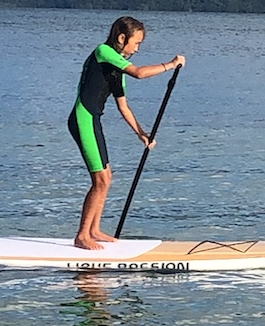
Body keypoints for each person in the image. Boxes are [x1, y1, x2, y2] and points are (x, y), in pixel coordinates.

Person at [68, 16, 184, 250]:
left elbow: (123, 106)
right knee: (100, 180)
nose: (137, 48)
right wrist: (170, 64)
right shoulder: (103, 52)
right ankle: (82, 235)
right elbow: (139, 73)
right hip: (83, 119)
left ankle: (94, 230)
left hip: (93, 120)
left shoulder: (117, 70)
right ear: (122, 38)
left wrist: (142, 134)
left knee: (106, 178)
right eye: (136, 43)